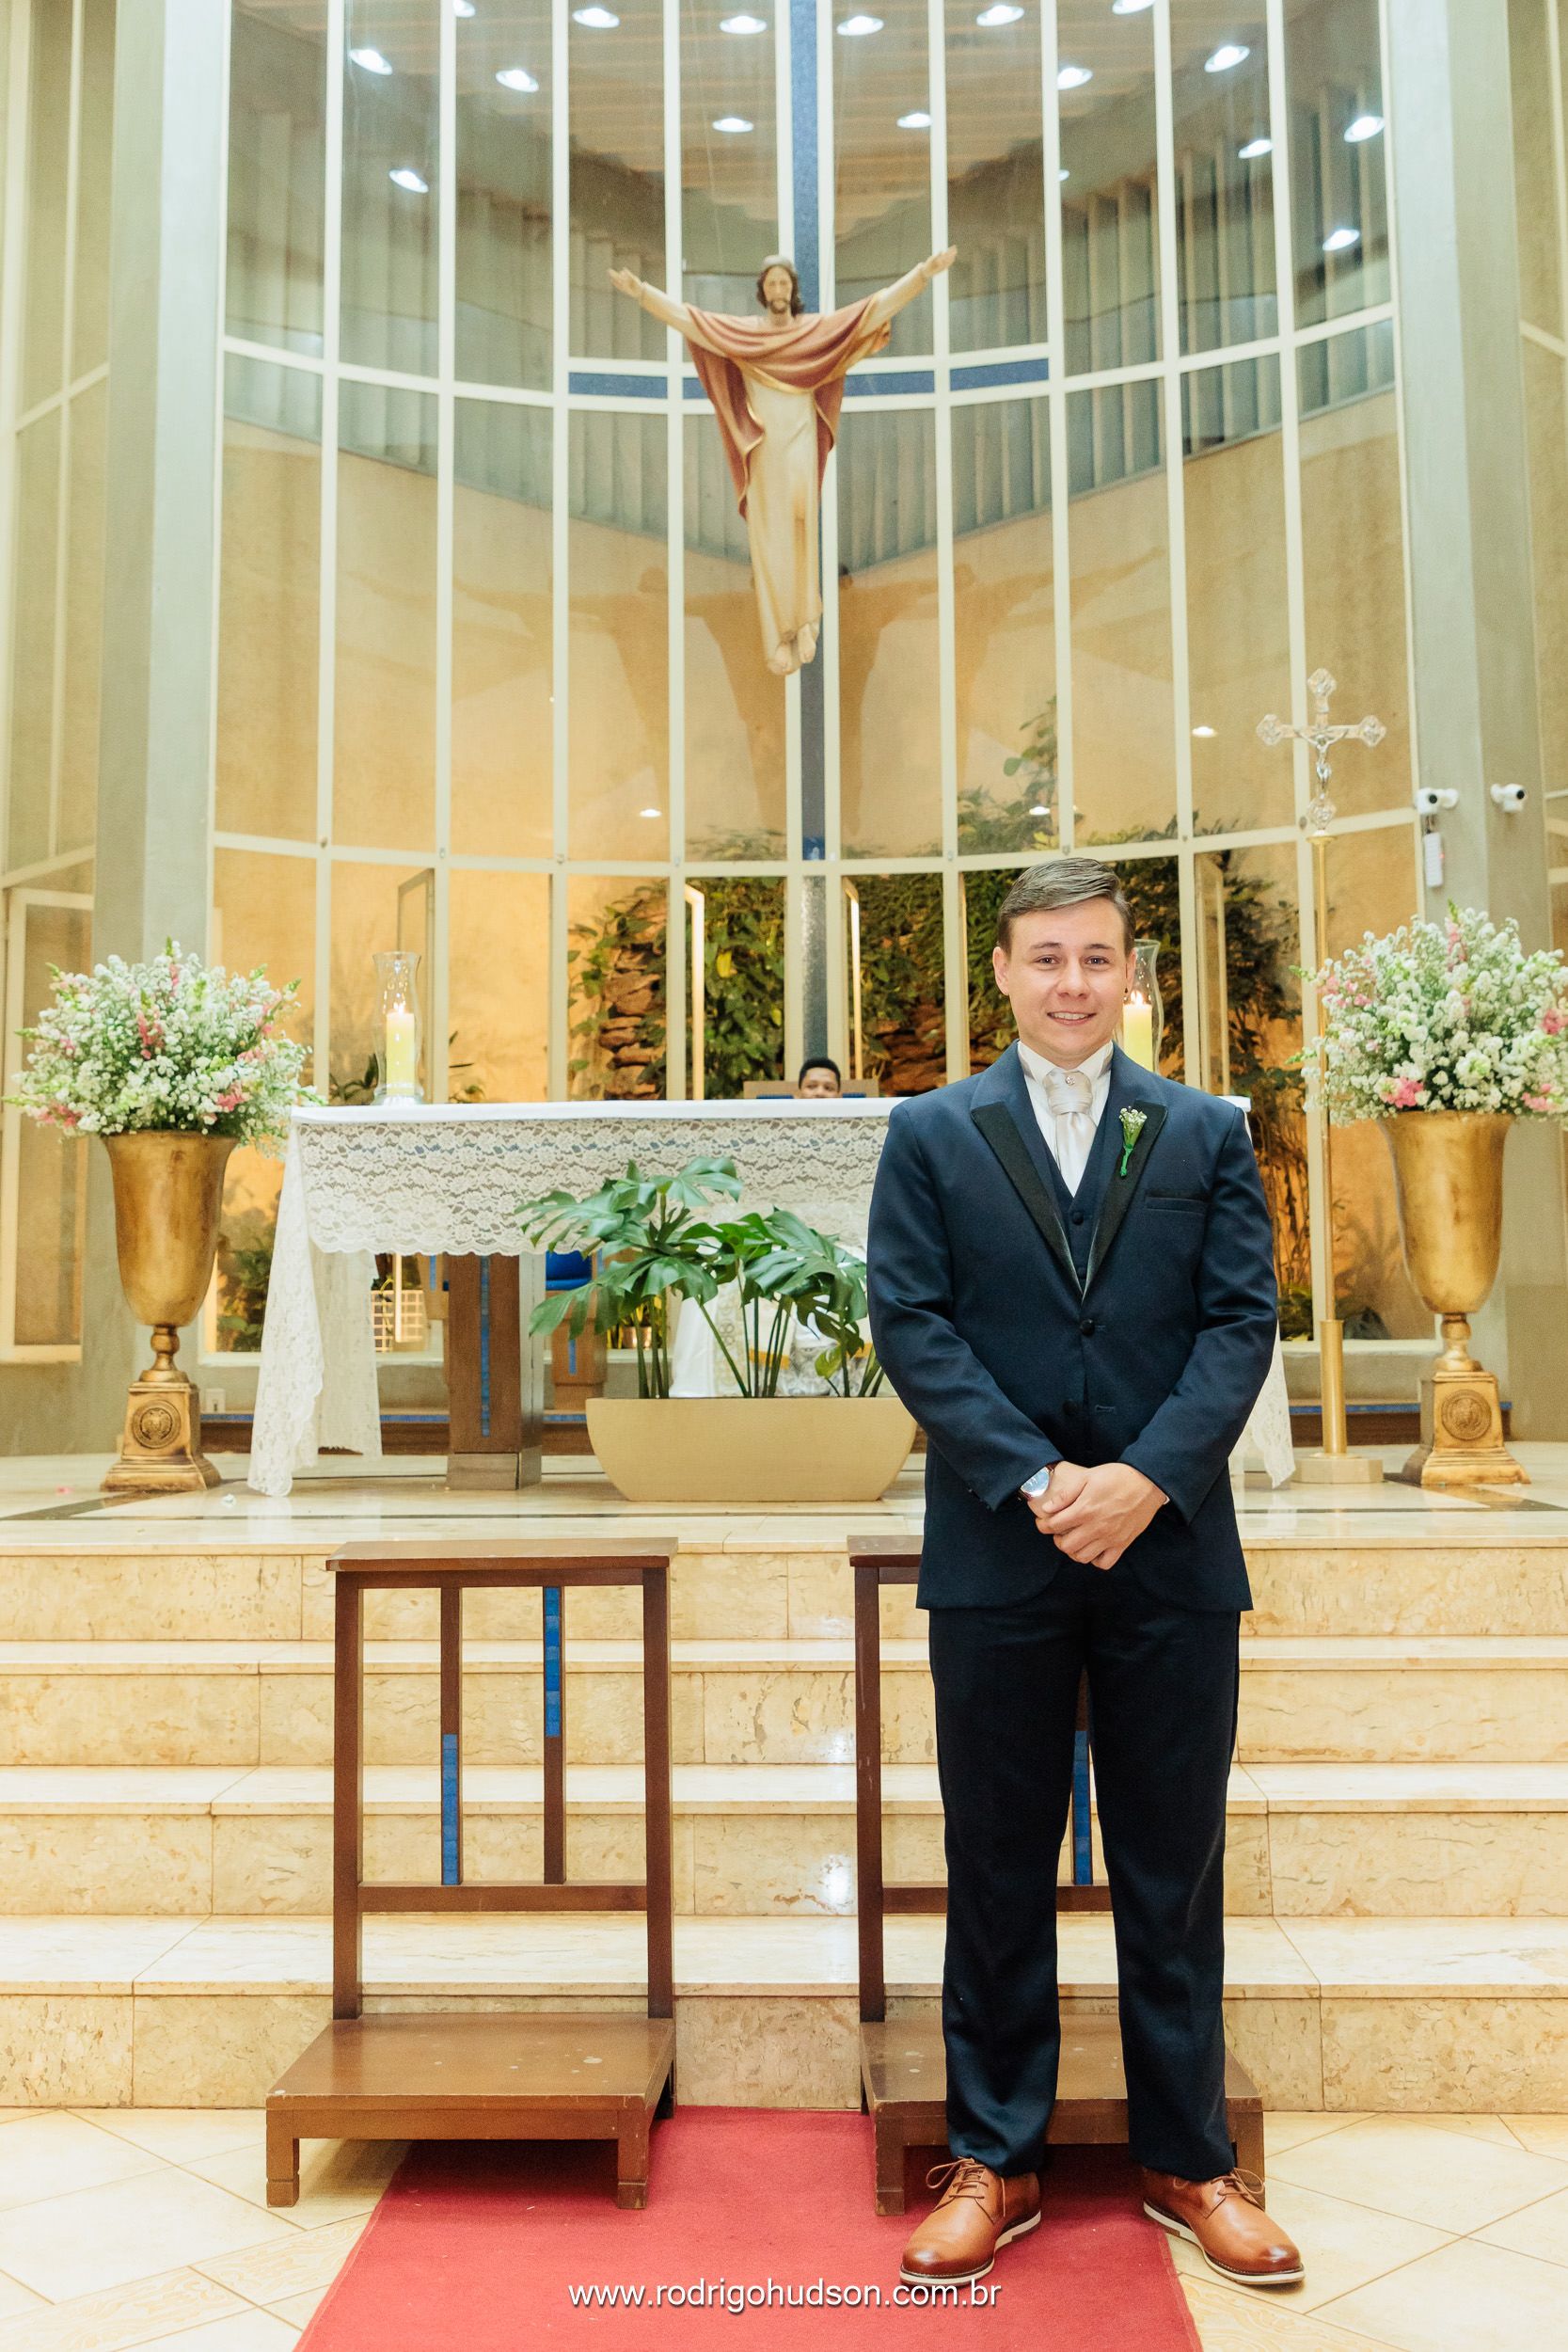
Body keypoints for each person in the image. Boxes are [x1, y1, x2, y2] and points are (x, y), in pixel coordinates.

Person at [866, 856, 1301, 2295]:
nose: (1069, 983)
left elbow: (1238, 1323)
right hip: (1001, 1548)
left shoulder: (1199, 1132)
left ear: (1129, 974)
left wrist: (1145, 1478)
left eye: (1094, 958)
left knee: (1169, 1869)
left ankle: (1188, 2159)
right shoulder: (931, 1133)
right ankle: (995, 2155)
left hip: (1167, 1552)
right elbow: (911, 1323)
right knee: (995, 1861)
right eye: (1043, 957)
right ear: (1000, 972)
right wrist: (1043, 1480)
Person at [610, 250, 954, 675]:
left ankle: (807, 619)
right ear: (762, 291)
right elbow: (688, 319)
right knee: (767, 538)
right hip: (764, 447)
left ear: (793, 290)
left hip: (800, 444)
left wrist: (922, 274)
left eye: (784, 283)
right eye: (771, 283)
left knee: (801, 527)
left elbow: (872, 310)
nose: (778, 290)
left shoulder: (816, 332)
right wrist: (641, 292)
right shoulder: (744, 334)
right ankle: (776, 633)